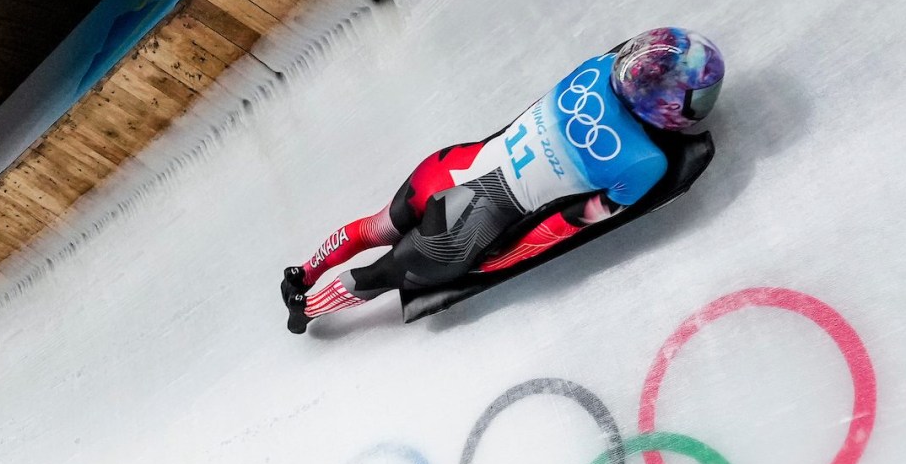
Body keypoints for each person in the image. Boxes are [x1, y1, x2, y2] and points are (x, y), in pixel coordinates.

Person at [281, 27, 725, 334]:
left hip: (447, 166)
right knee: (379, 276)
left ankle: (302, 273)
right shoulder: (643, 163)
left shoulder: (596, 67)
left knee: (378, 226)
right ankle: (306, 312)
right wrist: (498, 262)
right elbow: (564, 225)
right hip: (464, 225)